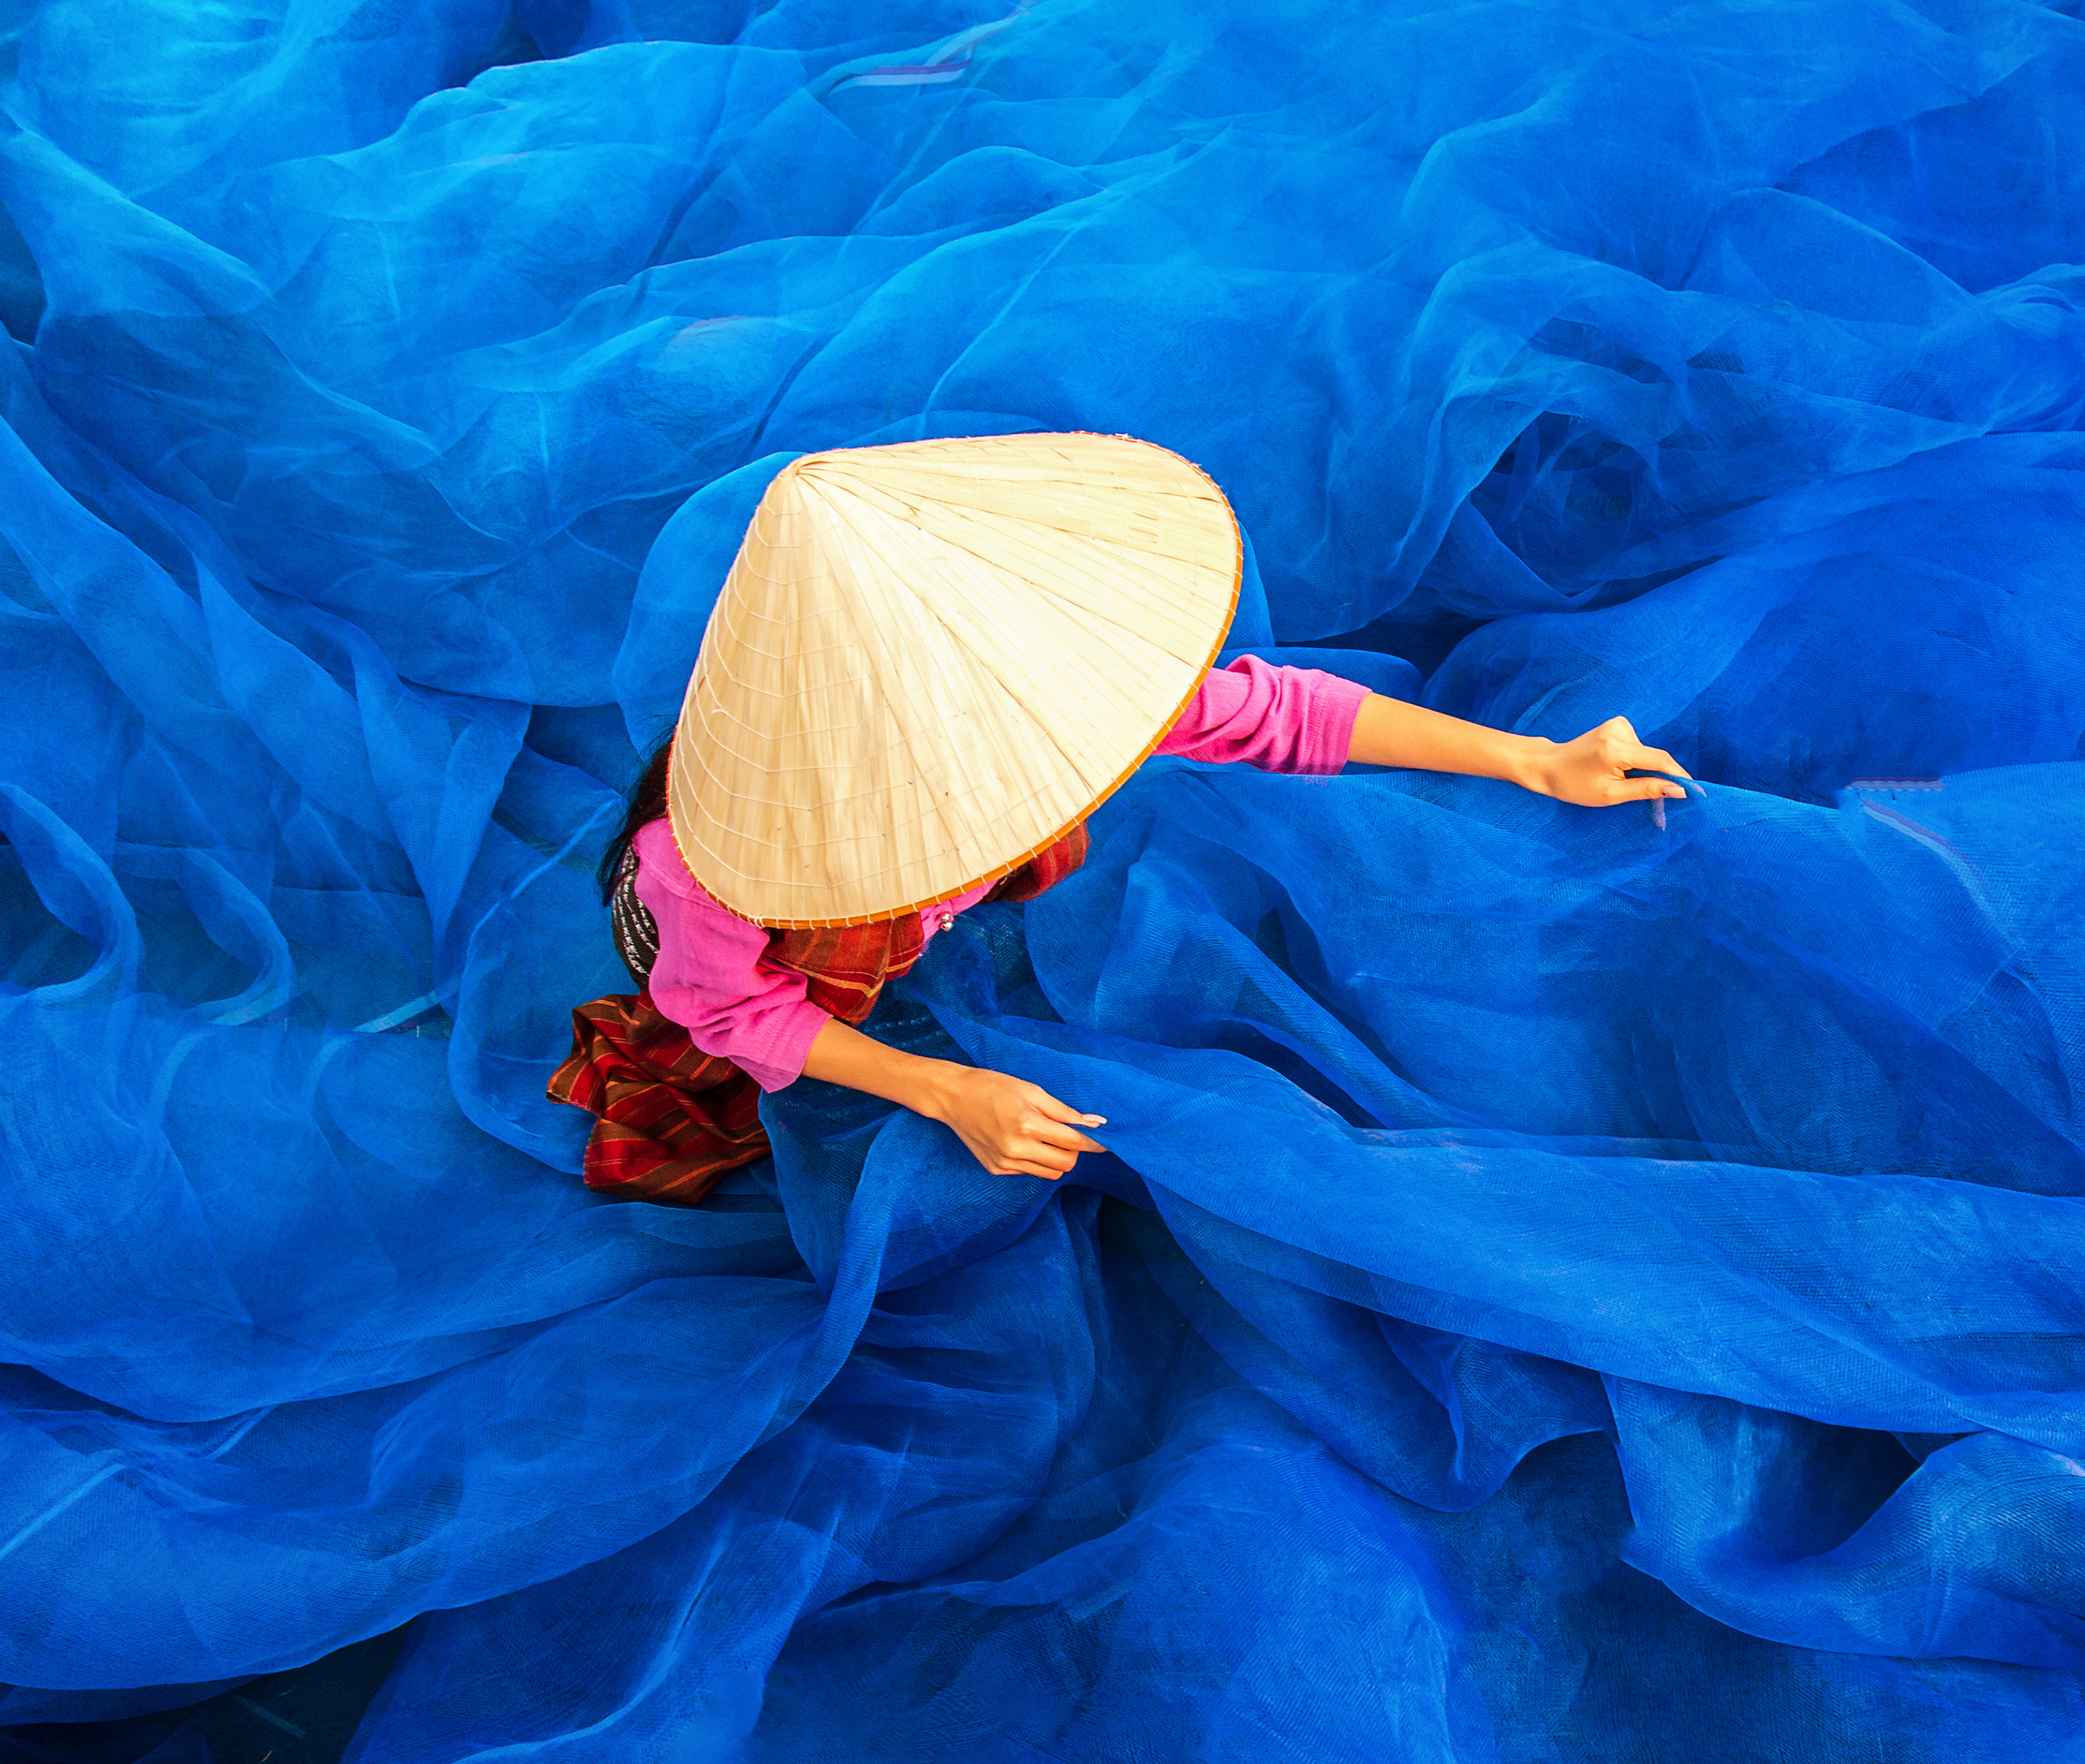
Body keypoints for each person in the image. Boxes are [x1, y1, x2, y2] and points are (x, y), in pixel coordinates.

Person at [551, 433, 1688, 1203]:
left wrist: (1533, 760)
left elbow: (1270, 713)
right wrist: (947, 1088)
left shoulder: (1039, 691)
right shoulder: (702, 877)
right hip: (777, 967)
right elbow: (731, 1012)